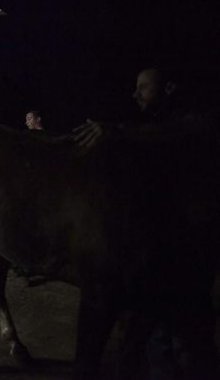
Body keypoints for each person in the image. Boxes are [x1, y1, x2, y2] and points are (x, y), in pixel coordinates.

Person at [73, 68, 219, 379]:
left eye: (143, 87)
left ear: (168, 87)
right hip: (162, 263)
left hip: (188, 262)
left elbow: (172, 133)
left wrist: (116, 131)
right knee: (155, 345)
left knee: (187, 345)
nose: (135, 94)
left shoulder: (195, 124)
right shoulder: (156, 129)